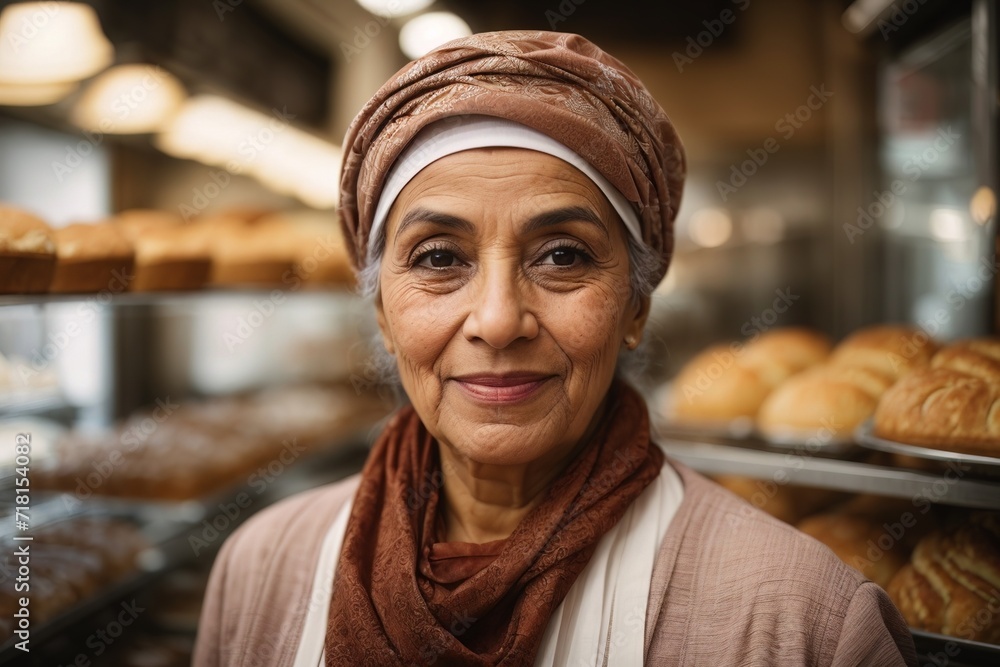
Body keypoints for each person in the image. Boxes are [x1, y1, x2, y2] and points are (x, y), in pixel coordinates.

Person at [193, 31, 917, 666]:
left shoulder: (797, 621)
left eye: (563, 256)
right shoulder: (262, 568)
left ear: (636, 304)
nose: (500, 320)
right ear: (382, 310)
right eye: (440, 257)